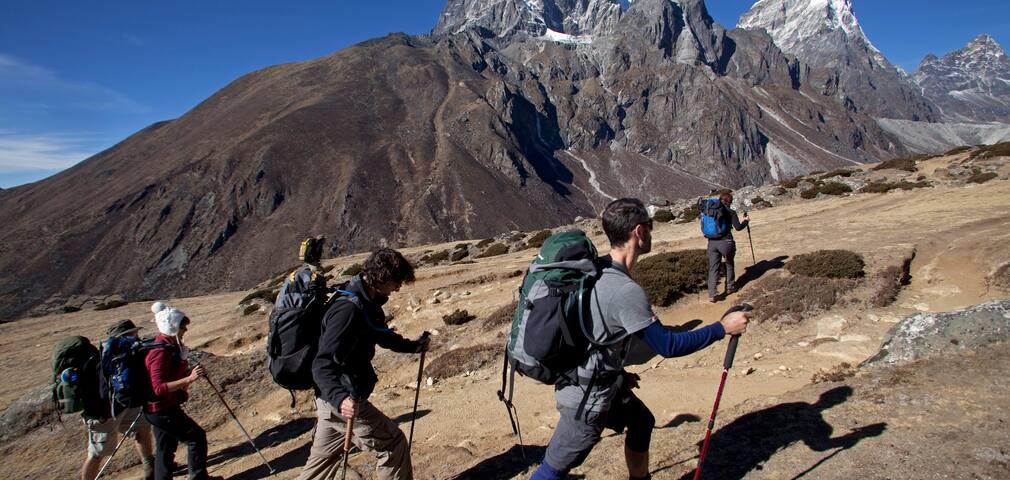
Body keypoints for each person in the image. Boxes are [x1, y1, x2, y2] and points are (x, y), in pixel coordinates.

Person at [530, 198, 752, 480]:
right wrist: (722, 327)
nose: (651, 232)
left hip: (600, 382)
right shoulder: (624, 291)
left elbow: (593, 332)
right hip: (587, 397)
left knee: (641, 420)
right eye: (649, 226)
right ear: (638, 232)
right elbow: (668, 346)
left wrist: (618, 372)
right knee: (554, 467)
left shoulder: (595, 269)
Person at [298, 248, 431, 480]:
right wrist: (341, 400)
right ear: (381, 277)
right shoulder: (348, 309)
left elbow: (380, 334)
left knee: (321, 466)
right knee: (393, 445)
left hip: (330, 402)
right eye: (396, 281)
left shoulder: (364, 300)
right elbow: (321, 364)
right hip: (344, 400)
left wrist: (413, 346)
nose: (398, 287)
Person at [144, 302, 222, 480]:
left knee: (165, 446)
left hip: (156, 409)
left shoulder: (165, 346)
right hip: (163, 408)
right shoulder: (160, 352)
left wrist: (185, 373)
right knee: (196, 437)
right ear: (173, 327)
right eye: (183, 327)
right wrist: (189, 378)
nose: (185, 330)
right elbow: (159, 388)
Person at [81, 319, 156, 480]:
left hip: (119, 406)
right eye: (134, 333)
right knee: (97, 453)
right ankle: (149, 466)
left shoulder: (119, 355)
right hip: (106, 411)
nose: (137, 335)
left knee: (142, 430)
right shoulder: (115, 357)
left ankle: (150, 466)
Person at [706, 192, 749, 302]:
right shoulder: (731, 212)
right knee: (729, 264)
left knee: (713, 268)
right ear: (730, 202)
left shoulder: (709, 211)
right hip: (726, 242)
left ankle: (712, 294)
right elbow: (738, 227)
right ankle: (730, 287)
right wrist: (746, 221)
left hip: (711, 243)